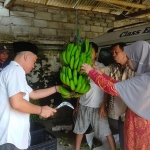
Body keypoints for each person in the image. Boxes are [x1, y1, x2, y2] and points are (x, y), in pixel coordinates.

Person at [81, 41, 150, 150]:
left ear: (138, 59)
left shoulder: (143, 80)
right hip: (138, 122)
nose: (128, 61)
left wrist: (91, 73)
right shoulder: (145, 77)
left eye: (130, 58)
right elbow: (120, 86)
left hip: (140, 126)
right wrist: (100, 74)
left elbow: (115, 89)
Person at [0, 41, 60, 150]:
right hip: (10, 136)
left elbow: (33, 94)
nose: (33, 66)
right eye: (34, 61)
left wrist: (57, 88)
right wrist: (41, 110)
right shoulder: (15, 70)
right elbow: (17, 103)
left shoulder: (13, 71)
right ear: (26, 56)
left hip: (13, 136)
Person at [73, 42, 116, 150]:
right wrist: (77, 105)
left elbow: (106, 88)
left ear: (96, 54)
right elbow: (79, 89)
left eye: (91, 52)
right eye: (86, 52)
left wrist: (103, 105)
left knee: (106, 131)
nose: (88, 54)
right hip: (83, 104)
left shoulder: (101, 67)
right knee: (80, 130)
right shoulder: (81, 68)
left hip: (97, 105)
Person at [99, 42, 135, 150]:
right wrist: (91, 69)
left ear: (125, 52)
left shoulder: (135, 68)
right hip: (120, 112)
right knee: (123, 139)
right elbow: (102, 71)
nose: (113, 54)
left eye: (116, 52)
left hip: (134, 112)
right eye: (112, 52)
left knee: (134, 140)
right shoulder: (113, 67)